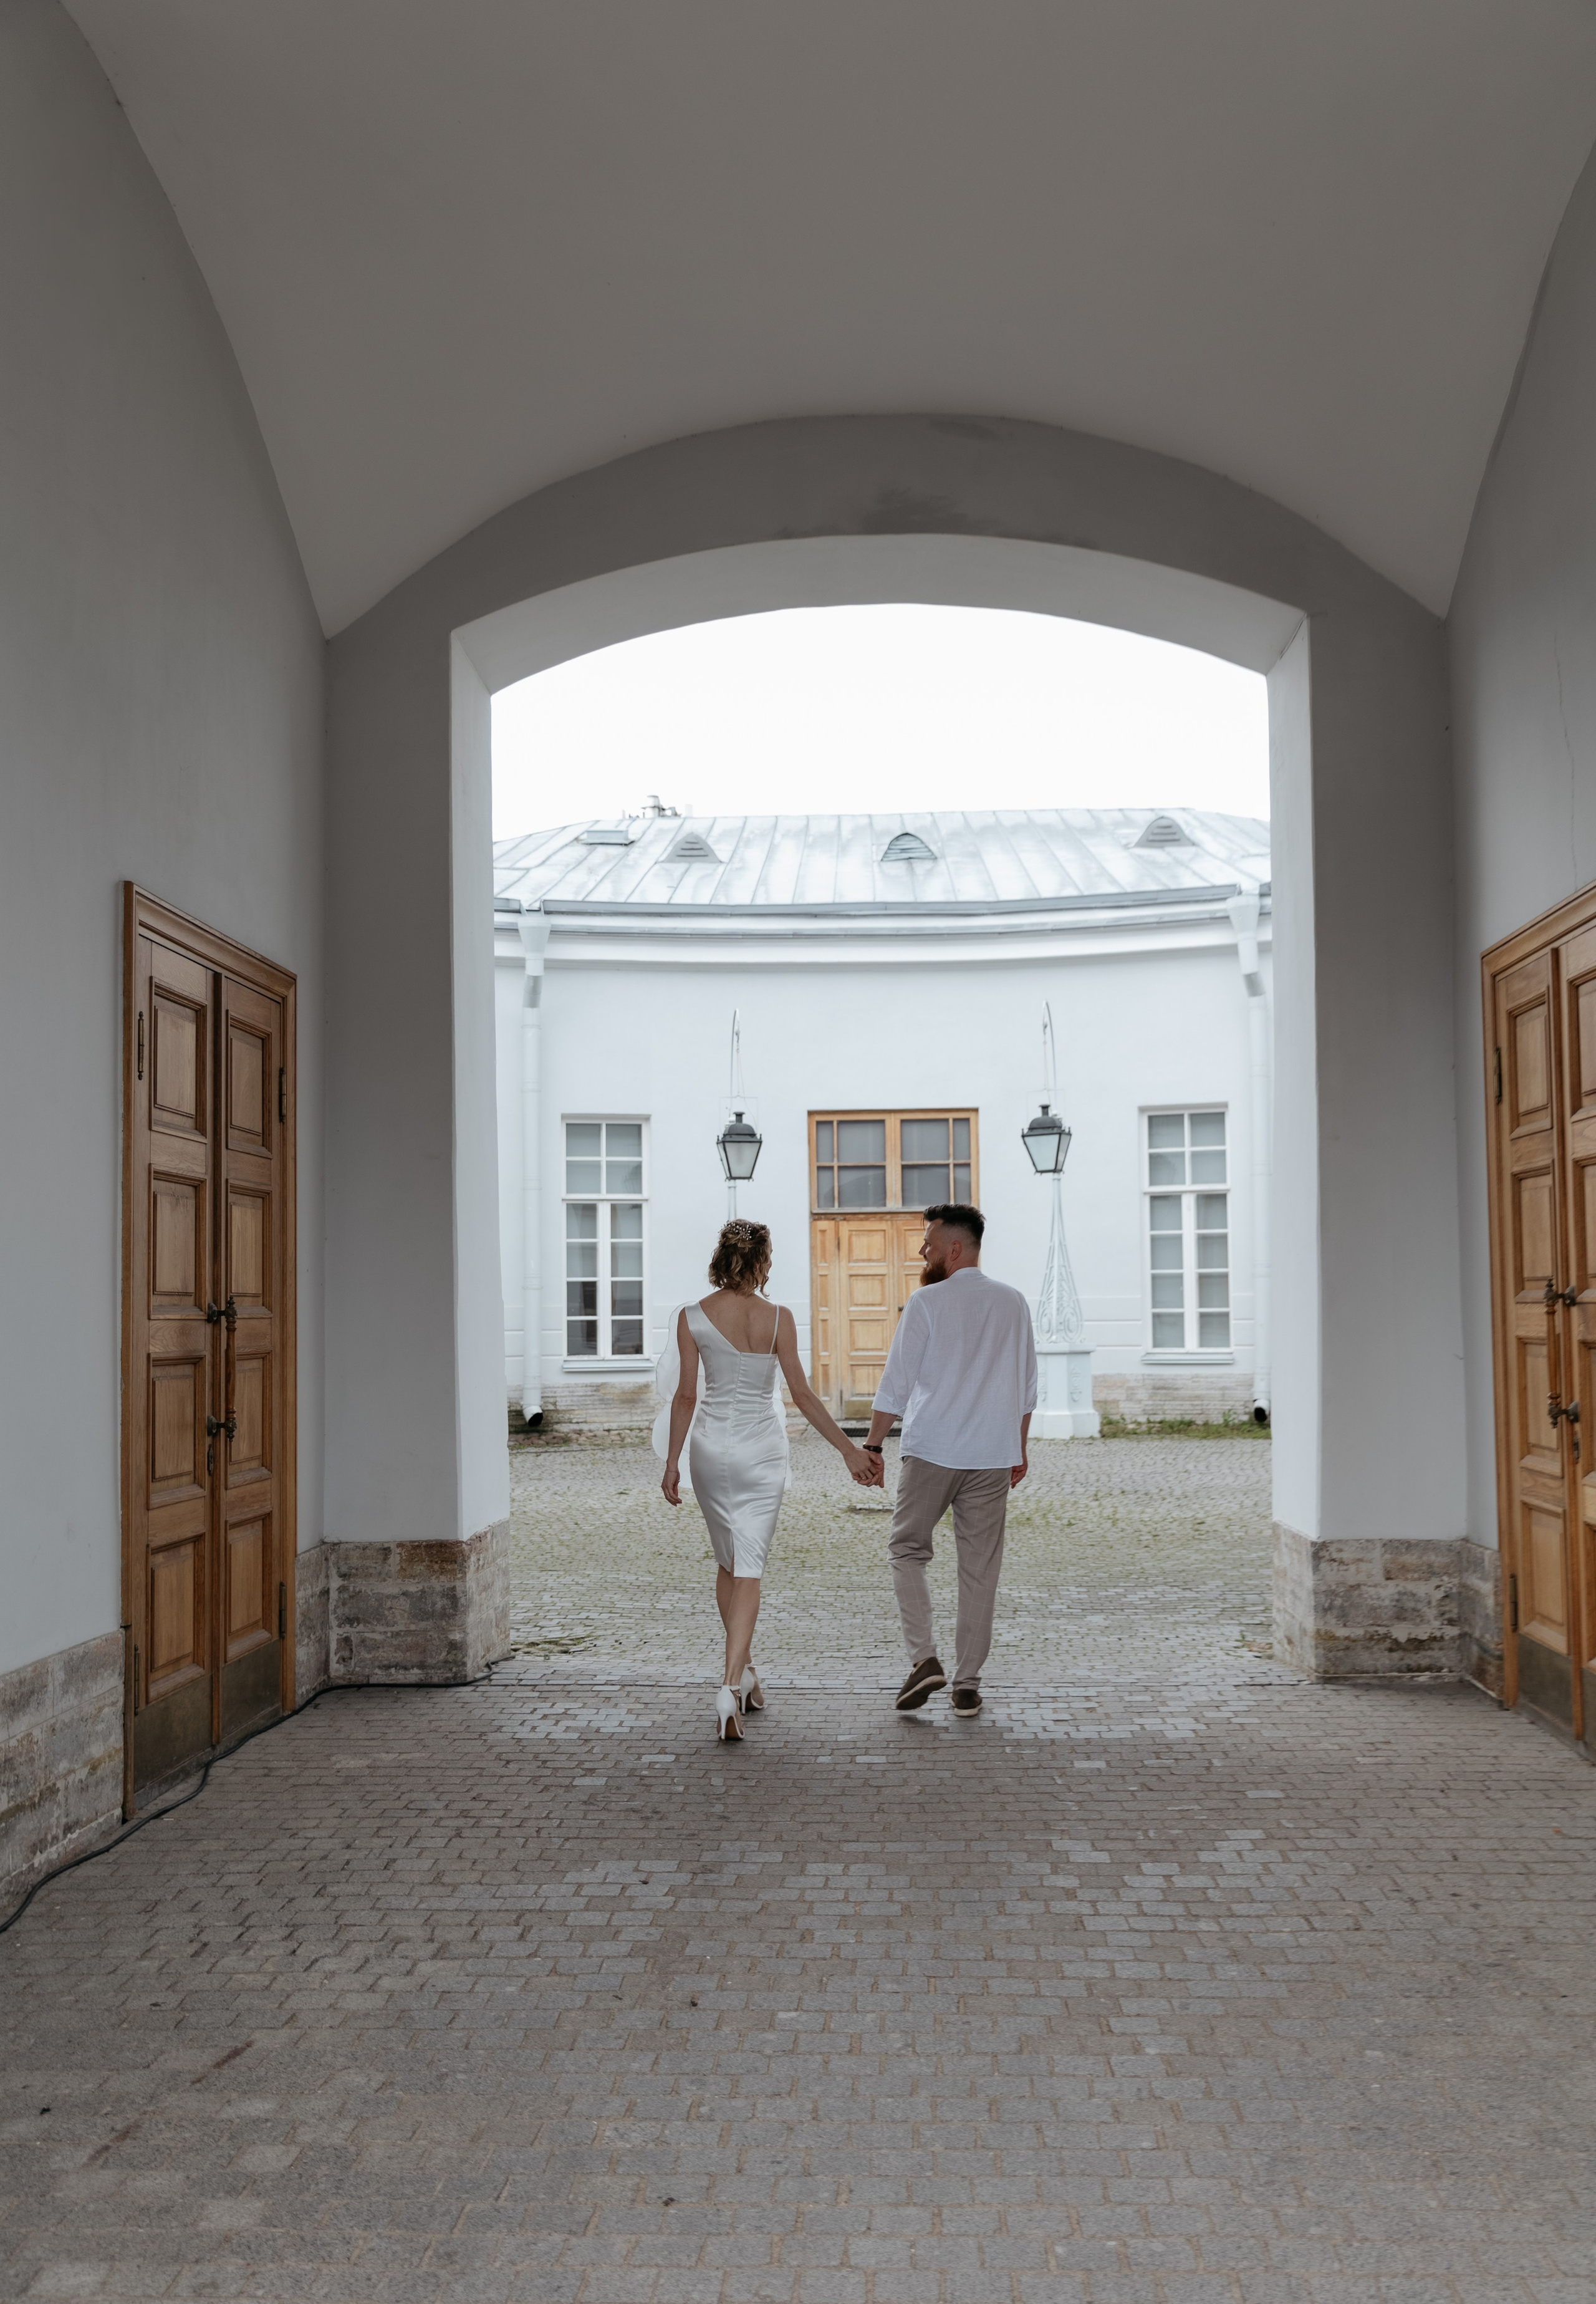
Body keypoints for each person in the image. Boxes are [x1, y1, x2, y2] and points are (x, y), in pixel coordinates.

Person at [660, 1218, 876, 1742]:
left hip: (710, 1448)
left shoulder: (692, 1317)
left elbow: (686, 1396)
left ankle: (746, 1673)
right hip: (761, 1451)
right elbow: (801, 1394)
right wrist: (849, 1450)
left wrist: (672, 1463)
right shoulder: (779, 1318)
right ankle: (730, 1686)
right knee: (749, 1565)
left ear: (721, 1256)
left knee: (729, 1562)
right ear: (761, 1261)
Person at [862, 1203, 1037, 1717]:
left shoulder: (927, 1302)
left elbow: (896, 1381)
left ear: (955, 1249)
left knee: (907, 1549)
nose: (923, 1250)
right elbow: (1027, 1387)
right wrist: (1019, 1449)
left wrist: (873, 1446)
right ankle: (967, 1685)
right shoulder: (1014, 1303)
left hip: (934, 1449)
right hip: (990, 1453)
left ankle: (924, 1660)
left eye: (930, 1243)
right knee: (980, 1570)